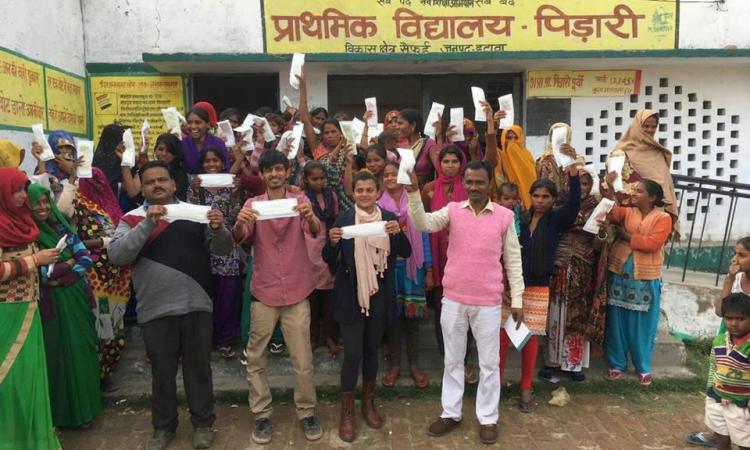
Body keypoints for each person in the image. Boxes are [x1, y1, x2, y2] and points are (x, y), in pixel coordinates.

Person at [108, 160, 232, 450]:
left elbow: (223, 249)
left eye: (162, 179)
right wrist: (150, 222)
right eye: (149, 182)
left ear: (174, 184)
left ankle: (203, 425)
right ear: (142, 187)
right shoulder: (131, 219)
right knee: (162, 374)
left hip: (197, 305)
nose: (157, 185)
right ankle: (163, 428)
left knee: (199, 371)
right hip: (155, 310)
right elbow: (117, 255)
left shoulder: (194, 214)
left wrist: (218, 228)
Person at [407, 160, 524, 445]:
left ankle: (488, 418)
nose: (473, 187)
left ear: (489, 185)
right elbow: (423, 223)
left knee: (488, 364)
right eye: (469, 182)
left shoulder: (504, 216)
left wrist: (518, 298)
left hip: (488, 301)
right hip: (454, 300)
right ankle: (451, 412)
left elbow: (513, 259)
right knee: (453, 360)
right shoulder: (452, 211)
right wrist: (412, 193)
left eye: (479, 182)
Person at [233, 150, 323, 445]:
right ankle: (261, 415)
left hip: (297, 289)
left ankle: (307, 412)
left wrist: (310, 218)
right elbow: (241, 235)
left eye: (279, 169)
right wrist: (239, 222)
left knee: (303, 359)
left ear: (287, 172)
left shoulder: (299, 200)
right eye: (268, 170)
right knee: (256, 358)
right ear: (262, 175)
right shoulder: (252, 204)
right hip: (265, 291)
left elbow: (314, 231)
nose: (274, 174)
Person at [323, 170, 411, 442]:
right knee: (352, 353)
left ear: (377, 192)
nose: (364, 194)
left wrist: (397, 234)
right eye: (359, 190)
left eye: (369, 190)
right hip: (351, 295)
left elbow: (405, 252)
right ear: (353, 193)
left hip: (380, 295)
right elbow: (329, 258)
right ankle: (347, 411)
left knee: (371, 350)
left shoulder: (389, 219)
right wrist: (333, 241)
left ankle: (368, 403)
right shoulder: (346, 219)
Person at [28, 183, 103, 428]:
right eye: (36, 202)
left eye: (45, 202)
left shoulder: (61, 226)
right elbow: (41, 274)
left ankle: (87, 409)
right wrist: (66, 267)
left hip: (75, 297)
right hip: (52, 305)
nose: (41, 207)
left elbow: (85, 259)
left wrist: (63, 274)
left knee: (82, 348)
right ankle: (64, 416)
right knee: (58, 354)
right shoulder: (28, 235)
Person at [0, 168, 61, 450]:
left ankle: (33, 439)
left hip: (29, 307)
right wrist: (35, 260)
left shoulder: (23, 222)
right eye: (16, 190)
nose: (23, 195)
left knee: (32, 377)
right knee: (11, 380)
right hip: (6, 312)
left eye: (25, 189)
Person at [513, 164, 581, 412]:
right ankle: (495, 387)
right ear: (530, 197)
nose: (540, 201)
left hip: (538, 286)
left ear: (553, 200)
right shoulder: (521, 217)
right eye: (536, 196)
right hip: (512, 285)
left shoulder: (556, 220)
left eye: (545, 197)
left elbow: (573, 204)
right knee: (502, 337)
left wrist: (573, 175)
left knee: (530, 339)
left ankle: (526, 388)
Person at [602, 179, 672, 386]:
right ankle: (616, 364)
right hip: (620, 272)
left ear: (652, 197)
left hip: (645, 276)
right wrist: (610, 188)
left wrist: (627, 237)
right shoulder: (627, 212)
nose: (634, 193)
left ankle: (643, 366)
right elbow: (611, 214)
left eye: (639, 191)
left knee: (643, 323)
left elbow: (653, 243)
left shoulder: (663, 218)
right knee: (617, 319)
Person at [540, 170, 608, 381]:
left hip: (583, 267)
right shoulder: (557, 204)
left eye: (587, 183)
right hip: (559, 264)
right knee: (555, 312)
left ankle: (573, 363)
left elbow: (597, 246)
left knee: (577, 315)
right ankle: (551, 362)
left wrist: (602, 232)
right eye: (579, 182)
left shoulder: (597, 207)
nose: (583, 187)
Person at [686, 237, 750, 448]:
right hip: (730, 340)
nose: (735, 258)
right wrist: (729, 280)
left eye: (742, 254)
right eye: (735, 253)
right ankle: (720, 434)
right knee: (722, 385)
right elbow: (720, 310)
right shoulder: (737, 278)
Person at [72, 167, 132, 388]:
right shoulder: (76, 205)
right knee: (96, 326)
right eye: (91, 181)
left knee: (114, 328)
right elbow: (70, 239)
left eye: (100, 180)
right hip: (92, 278)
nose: (96, 185)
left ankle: (106, 374)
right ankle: (91, 380)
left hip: (115, 276)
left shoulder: (112, 205)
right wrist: (101, 243)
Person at [378, 162, 432, 389]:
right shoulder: (377, 205)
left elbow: (424, 236)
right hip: (388, 268)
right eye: (386, 175)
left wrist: (428, 269)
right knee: (392, 321)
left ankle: (414, 365)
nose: (390, 178)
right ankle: (395, 366)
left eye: (394, 174)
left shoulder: (414, 202)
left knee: (412, 321)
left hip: (412, 268)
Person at [187, 148, 243, 358]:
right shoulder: (195, 187)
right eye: (207, 161)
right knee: (205, 296)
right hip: (202, 248)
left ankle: (225, 340)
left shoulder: (231, 185)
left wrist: (236, 194)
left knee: (227, 296)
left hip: (227, 249)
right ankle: (205, 340)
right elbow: (191, 216)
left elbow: (237, 218)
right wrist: (193, 192)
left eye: (216, 160)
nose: (211, 164)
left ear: (222, 163)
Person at [606, 109, 679, 239]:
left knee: (652, 245)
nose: (650, 130)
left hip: (656, 210)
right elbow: (617, 180)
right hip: (629, 211)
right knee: (627, 248)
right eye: (645, 126)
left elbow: (665, 181)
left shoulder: (657, 151)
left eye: (653, 126)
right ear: (637, 126)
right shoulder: (622, 150)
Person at [703, 292, 750, 450]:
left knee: (745, 443)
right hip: (717, 398)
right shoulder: (719, 341)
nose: (734, 324)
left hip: (742, 405)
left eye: (740, 319)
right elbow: (713, 366)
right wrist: (710, 389)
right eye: (729, 318)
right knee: (721, 438)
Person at [302, 161, 340, 356]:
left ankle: (330, 336)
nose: (319, 182)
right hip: (308, 249)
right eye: (314, 179)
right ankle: (312, 337)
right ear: (306, 180)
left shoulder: (331, 195)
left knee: (329, 296)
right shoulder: (302, 198)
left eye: (322, 178)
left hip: (327, 247)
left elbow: (334, 218)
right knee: (312, 296)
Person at [121, 133, 190, 203]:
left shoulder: (181, 175)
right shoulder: (149, 169)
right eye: (160, 149)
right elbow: (133, 193)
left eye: (169, 151)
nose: (163, 154)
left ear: (175, 154)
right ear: (155, 150)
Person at [180, 102, 230, 174]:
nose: (193, 126)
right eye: (189, 122)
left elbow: (226, 168)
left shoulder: (218, 143)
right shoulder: (183, 144)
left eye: (198, 122)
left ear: (207, 125)